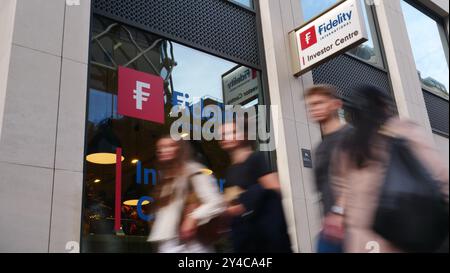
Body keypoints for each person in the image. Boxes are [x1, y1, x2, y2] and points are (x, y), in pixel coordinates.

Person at [329, 85, 449, 253]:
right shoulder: (403, 130)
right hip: (406, 231)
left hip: (363, 240)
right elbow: (441, 176)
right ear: (384, 106)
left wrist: (338, 213)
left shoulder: (345, 147)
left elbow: (341, 191)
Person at [220, 119, 292, 253]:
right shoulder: (230, 171)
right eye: (223, 134)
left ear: (243, 136)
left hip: (265, 239)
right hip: (246, 239)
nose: (226, 137)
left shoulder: (255, 159)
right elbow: (232, 203)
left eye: (232, 132)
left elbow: (275, 189)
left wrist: (247, 200)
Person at [147, 135, 225, 253]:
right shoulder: (163, 180)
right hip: (169, 246)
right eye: (161, 147)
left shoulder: (194, 171)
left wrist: (193, 218)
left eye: (171, 146)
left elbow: (217, 202)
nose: (164, 150)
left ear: (180, 149)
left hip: (193, 245)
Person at [304, 84, 349, 253]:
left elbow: (356, 179)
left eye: (319, 103)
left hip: (353, 225)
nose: (313, 108)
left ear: (336, 105)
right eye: (311, 105)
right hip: (331, 228)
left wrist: (339, 212)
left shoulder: (350, 136)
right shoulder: (320, 147)